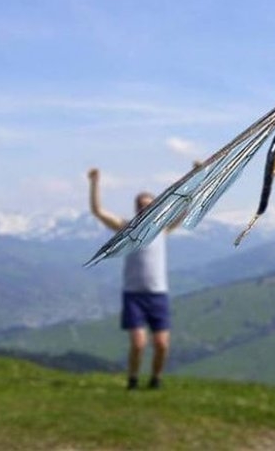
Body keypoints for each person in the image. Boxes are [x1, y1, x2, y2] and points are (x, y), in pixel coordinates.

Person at [87, 167, 180, 390]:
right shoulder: (125, 228)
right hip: (134, 295)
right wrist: (94, 183)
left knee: (162, 344)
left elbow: (185, 211)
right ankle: (133, 380)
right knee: (138, 344)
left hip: (158, 294)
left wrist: (199, 175)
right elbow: (98, 211)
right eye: (141, 206)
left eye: (149, 205)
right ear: (136, 208)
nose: (144, 208)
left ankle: (156, 380)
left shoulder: (162, 229)